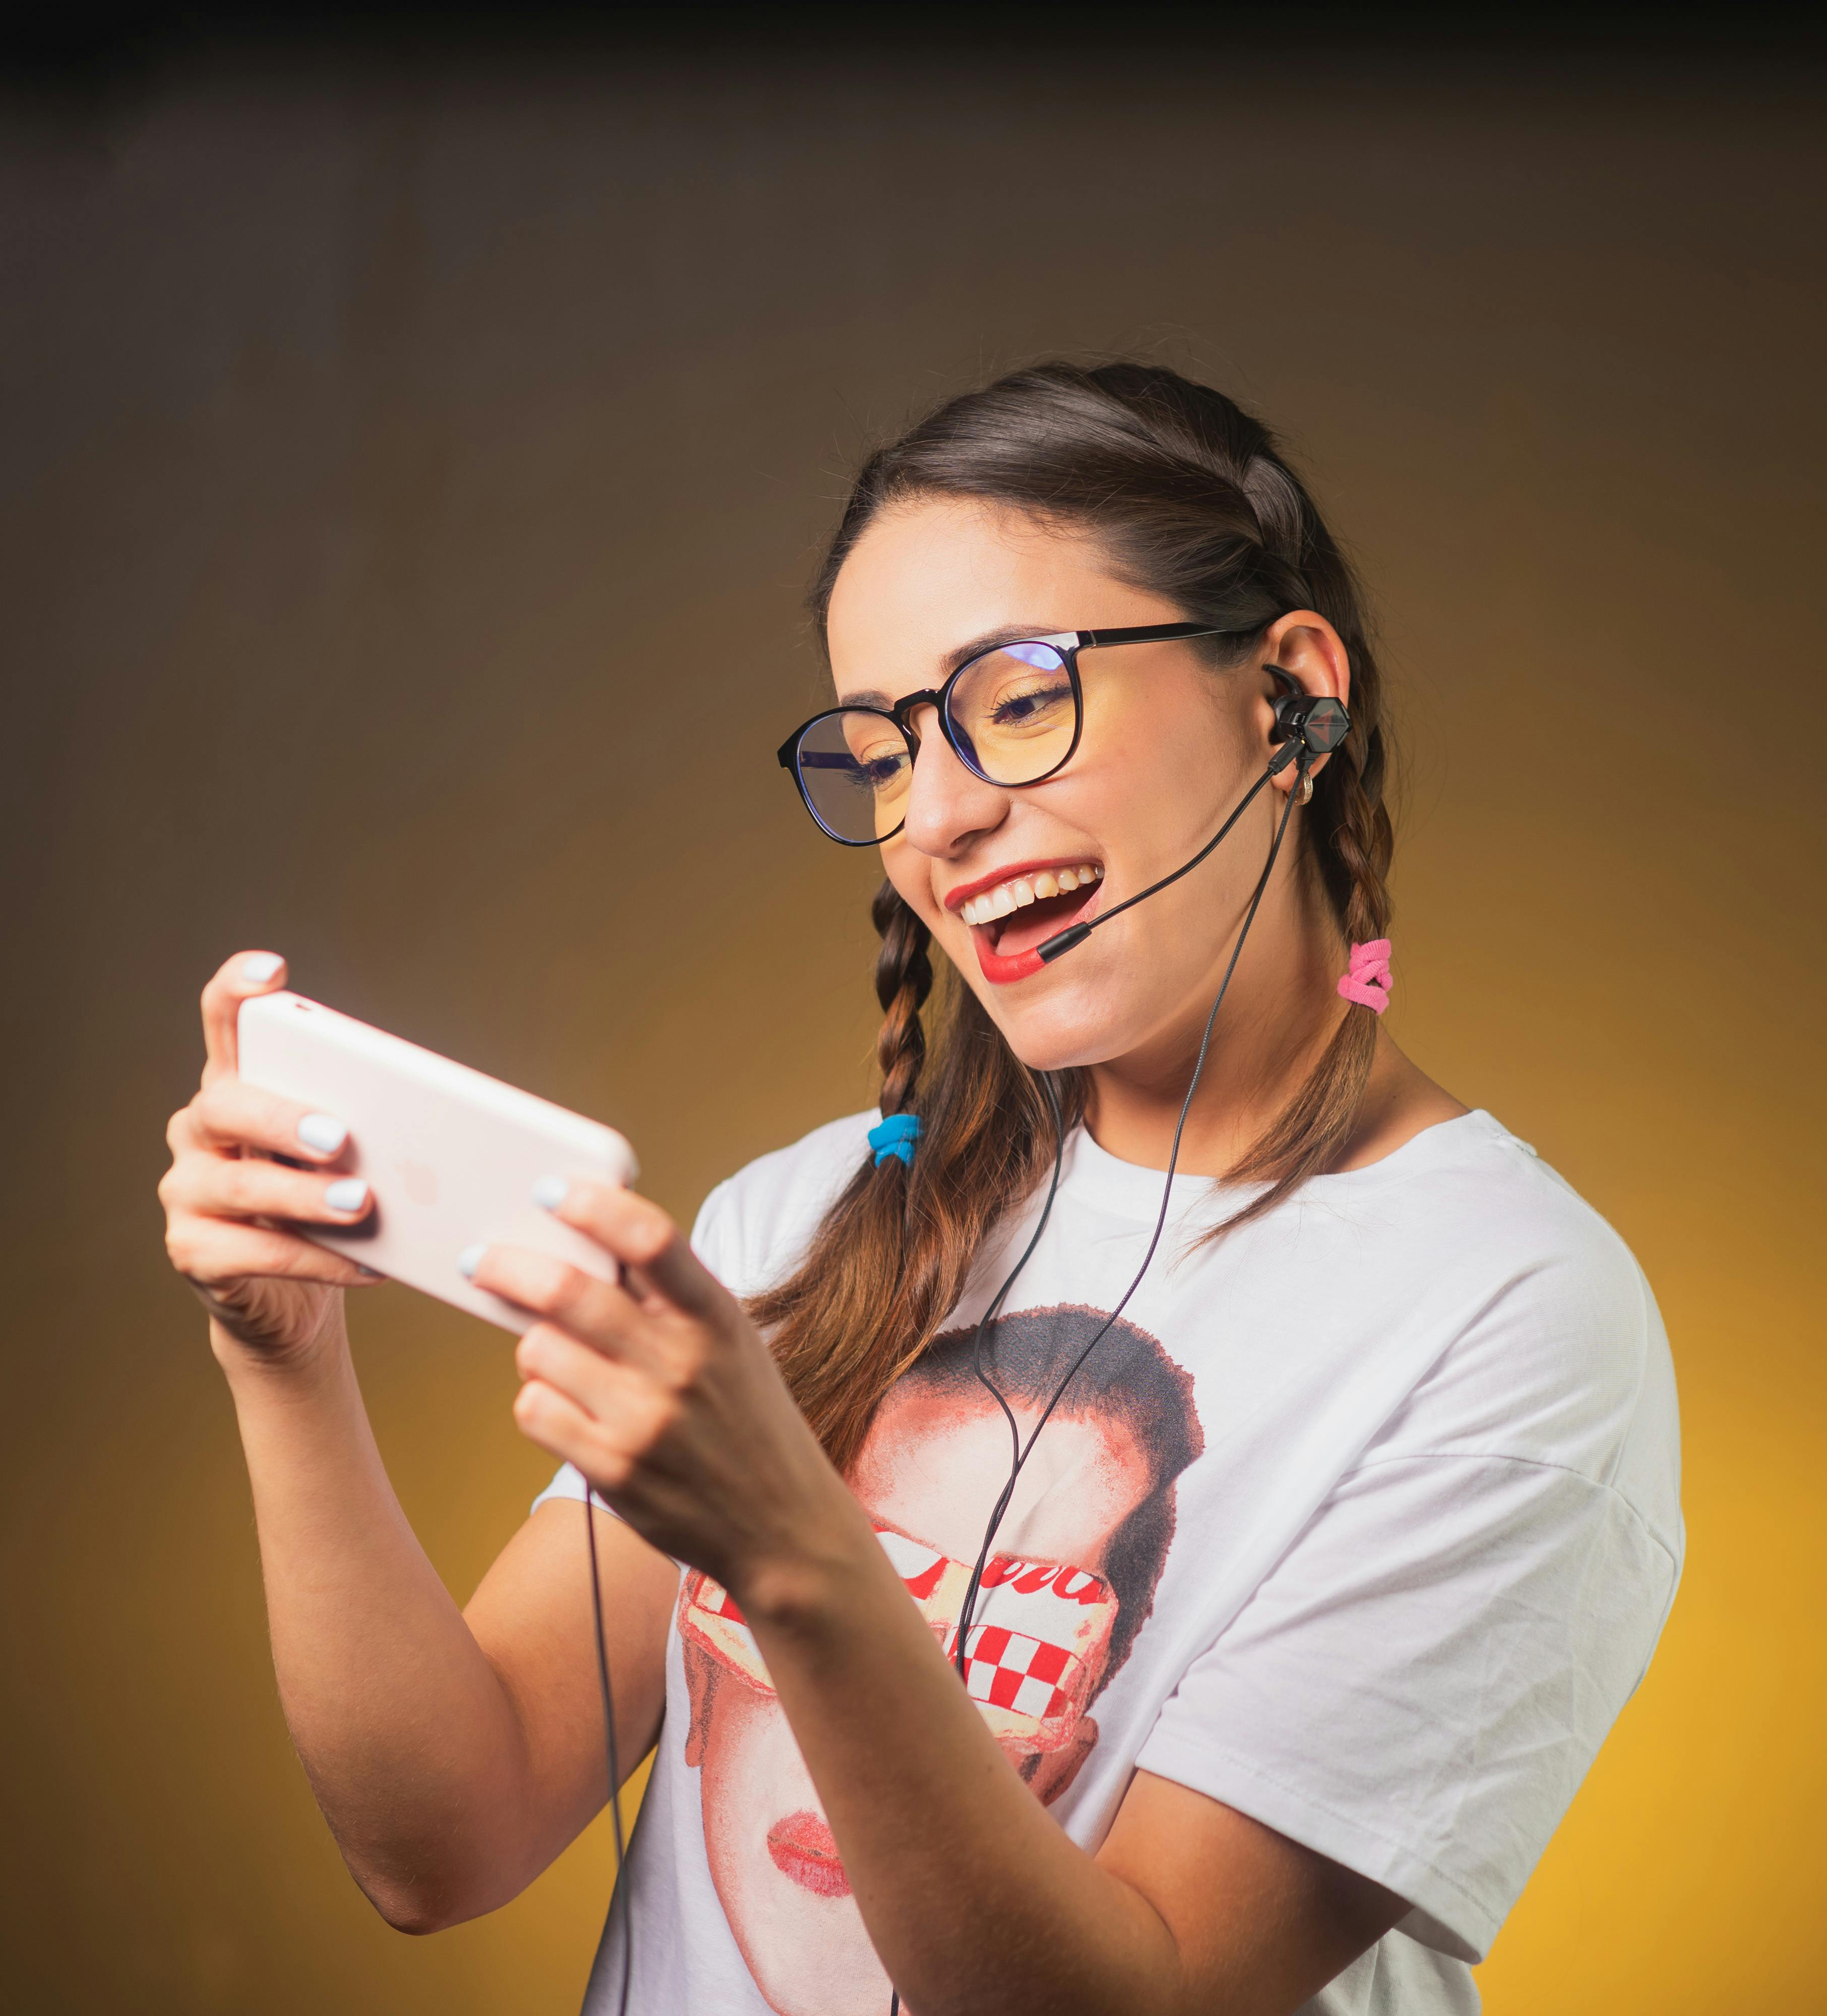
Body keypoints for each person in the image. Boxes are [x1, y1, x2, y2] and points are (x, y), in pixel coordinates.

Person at [158, 361, 1683, 2016]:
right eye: (886, 749)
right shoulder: (803, 1224)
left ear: (1287, 694)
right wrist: (284, 1361)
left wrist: (798, 1556)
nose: (939, 819)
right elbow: (440, 1844)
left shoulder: (1510, 1312)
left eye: (1018, 699)